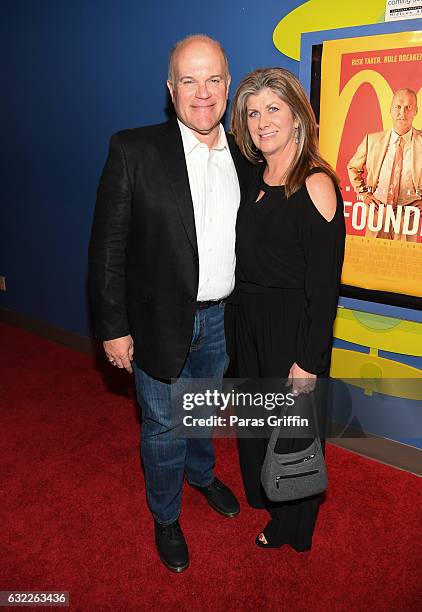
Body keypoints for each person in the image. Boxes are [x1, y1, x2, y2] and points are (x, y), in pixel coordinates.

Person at [88, 35, 251, 573]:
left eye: (213, 80)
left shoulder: (249, 157)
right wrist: (113, 328)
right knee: (162, 427)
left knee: (201, 411)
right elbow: (107, 247)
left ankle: (202, 477)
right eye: (188, 80)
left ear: (228, 85)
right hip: (156, 319)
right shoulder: (132, 149)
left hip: (223, 319)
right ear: (170, 88)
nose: (202, 93)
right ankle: (165, 515)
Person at [228, 67, 345, 551]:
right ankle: (269, 501)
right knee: (256, 427)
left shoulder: (315, 184)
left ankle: (293, 528)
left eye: (274, 108)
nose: (262, 121)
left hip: (291, 331)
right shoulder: (255, 173)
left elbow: (324, 289)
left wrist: (308, 362)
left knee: (292, 436)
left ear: (298, 116)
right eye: (253, 112)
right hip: (247, 324)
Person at [347, 88, 422, 241]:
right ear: (390, 110)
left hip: (408, 216)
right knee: (372, 258)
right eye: (398, 107)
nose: (403, 112)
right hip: (377, 212)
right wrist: (364, 194)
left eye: (408, 107)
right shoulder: (372, 140)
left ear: (416, 111)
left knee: (403, 260)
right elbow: (353, 167)